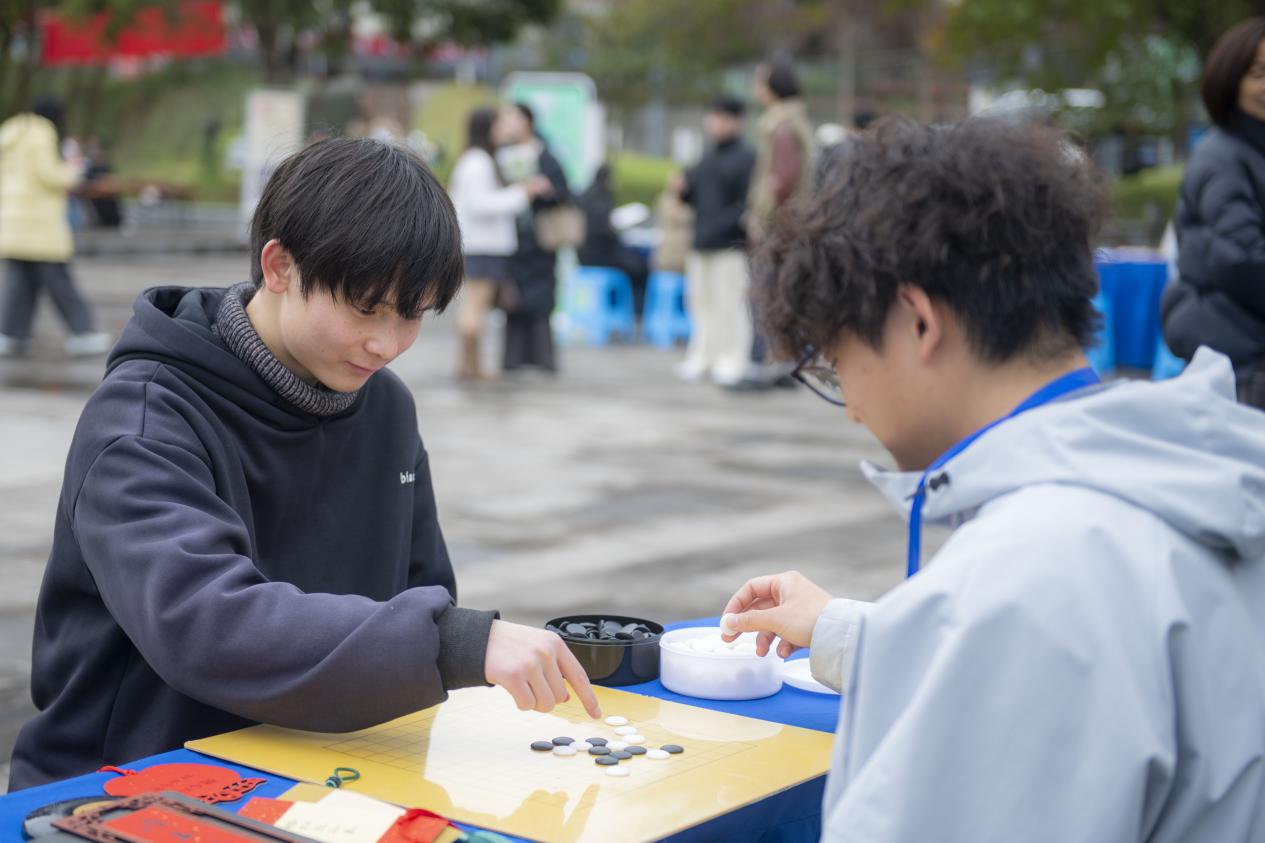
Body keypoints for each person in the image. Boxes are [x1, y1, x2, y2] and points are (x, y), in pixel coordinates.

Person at [721, 117, 1265, 841]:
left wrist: (954, 618)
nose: (851, 408)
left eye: (837, 364)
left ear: (917, 322)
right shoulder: (1190, 473)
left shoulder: (1029, 577)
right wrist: (849, 632)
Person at [8, 137, 600, 791]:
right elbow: (205, 624)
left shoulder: (385, 408)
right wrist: (454, 642)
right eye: (366, 308)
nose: (386, 343)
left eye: (411, 314)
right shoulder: (146, 418)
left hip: (325, 773)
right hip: (125, 787)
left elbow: (421, 588)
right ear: (279, 266)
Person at [1162, 17, 1265, 409]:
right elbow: (1240, 258)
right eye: (1259, 73)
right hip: (1240, 354)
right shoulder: (1223, 157)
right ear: (1231, 80)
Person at [0, 95, 111, 357]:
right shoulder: (41, 134)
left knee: (20, 282)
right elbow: (48, 175)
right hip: (37, 223)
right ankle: (82, 332)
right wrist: (75, 173)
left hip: (12, 221)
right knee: (59, 279)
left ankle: (11, 334)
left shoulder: (12, 133)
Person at [449, 107, 550, 380]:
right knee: (475, 308)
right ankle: (471, 367)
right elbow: (481, 204)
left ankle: (468, 365)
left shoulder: (475, 159)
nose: (504, 129)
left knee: (474, 307)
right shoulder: (479, 162)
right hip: (484, 246)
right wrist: (522, 193)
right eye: (499, 125)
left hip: (479, 245)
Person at [740, 58, 817, 390]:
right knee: (784, 296)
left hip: (776, 226)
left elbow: (781, 178)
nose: (756, 89)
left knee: (764, 295)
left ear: (773, 87)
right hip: (794, 224)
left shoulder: (780, 125)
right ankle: (784, 364)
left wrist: (761, 217)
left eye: (760, 82)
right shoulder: (797, 121)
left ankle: (760, 367)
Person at [674, 96, 757, 386]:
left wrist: (721, 227)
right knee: (701, 303)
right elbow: (692, 195)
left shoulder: (747, 157)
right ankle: (703, 356)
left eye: (720, 117)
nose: (714, 123)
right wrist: (682, 190)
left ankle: (732, 359)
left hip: (730, 245)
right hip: (701, 242)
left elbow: (746, 204)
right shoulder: (706, 156)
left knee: (729, 304)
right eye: (712, 117)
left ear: (736, 121)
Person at [494, 102, 571, 373]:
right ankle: (513, 359)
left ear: (527, 121)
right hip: (509, 239)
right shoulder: (499, 154)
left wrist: (545, 190)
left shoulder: (545, 155)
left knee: (541, 300)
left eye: (512, 118)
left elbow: (564, 193)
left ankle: (542, 358)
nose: (507, 124)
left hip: (540, 241)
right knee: (512, 299)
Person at [577, 163, 649, 317]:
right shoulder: (601, 200)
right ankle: (635, 314)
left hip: (583, 257)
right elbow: (606, 232)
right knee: (640, 268)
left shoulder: (586, 197)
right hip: (601, 256)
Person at [652, 171, 694, 276]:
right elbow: (680, 217)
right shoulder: (665, 200)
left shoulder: (690, 200)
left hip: (686, 254)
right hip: (669, 255)